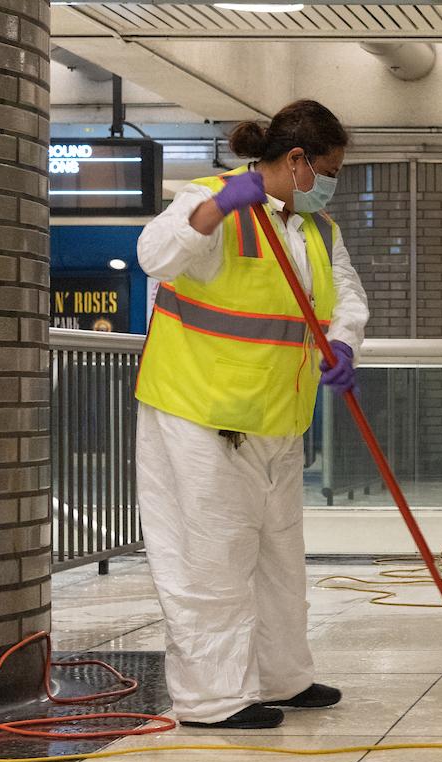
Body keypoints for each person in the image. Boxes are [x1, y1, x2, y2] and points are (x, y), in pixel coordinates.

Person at [135, 100, 369, 729]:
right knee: (211, 560)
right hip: (201, 416)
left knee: (278, 559)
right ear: (296, 161)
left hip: (277, 419)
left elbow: (347, 296)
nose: (331, 185)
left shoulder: (319, 231)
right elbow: (155, 256)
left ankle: (282, 676)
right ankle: (212, 699)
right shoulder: (210, 200)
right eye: (330, 169)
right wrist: (217, 208)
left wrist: (344, 340)